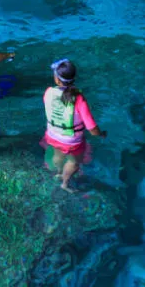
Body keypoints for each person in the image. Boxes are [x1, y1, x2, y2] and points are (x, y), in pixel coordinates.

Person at [43, 59, 106, 192]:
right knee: (74, 162)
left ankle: (58, 173)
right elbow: (92, 129)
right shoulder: (78, 99)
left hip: (52, 135)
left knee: (58, 155)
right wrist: (101, 134)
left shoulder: (48, 92)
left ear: (57, 80)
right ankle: (64, 184)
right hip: (71, 141)